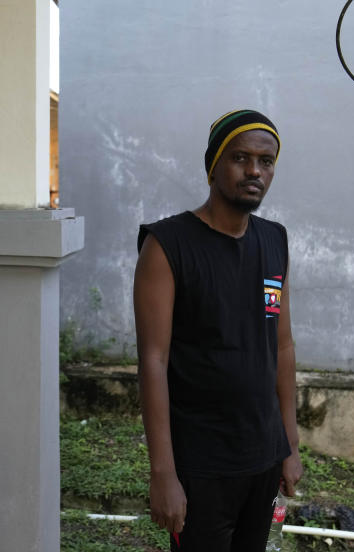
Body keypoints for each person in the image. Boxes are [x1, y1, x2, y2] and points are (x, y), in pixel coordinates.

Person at [133, 109, 302, 551]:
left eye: (266, 162)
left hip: (262, 455)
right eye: (240, 158)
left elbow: (282, 346)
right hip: (201, 465)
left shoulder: (274, 240)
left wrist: (289, 444)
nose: (254, 171)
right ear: (214, 165)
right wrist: (163, 473)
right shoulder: (167, 246)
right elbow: (153, 362)